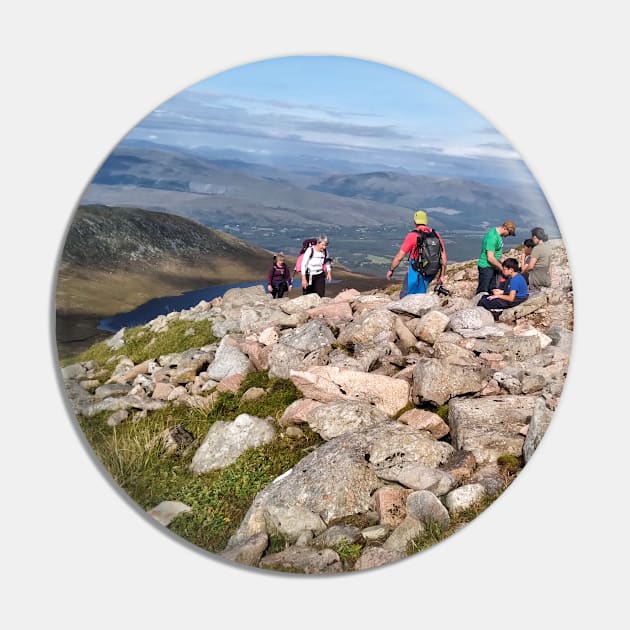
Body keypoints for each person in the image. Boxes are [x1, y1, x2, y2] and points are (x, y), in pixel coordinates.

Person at [386, 210, 447, 297]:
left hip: (416, 270)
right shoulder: (435, 234)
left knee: (406, 295)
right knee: (421, 294)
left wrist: (391, 270)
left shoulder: (413, 235)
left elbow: (400, 256)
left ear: (415, 221)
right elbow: (444, 258)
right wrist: (442, 276)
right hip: (431, 271)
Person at [475, 220, 516, 294]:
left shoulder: (498, 236)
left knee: (492, 289)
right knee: (483, 290)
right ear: (505, 228)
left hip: (492, 267)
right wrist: (501, 267)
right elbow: (490, 258)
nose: (508, 235)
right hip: (486, 267)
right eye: (509, 233)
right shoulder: (492, 237)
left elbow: (496, 253)